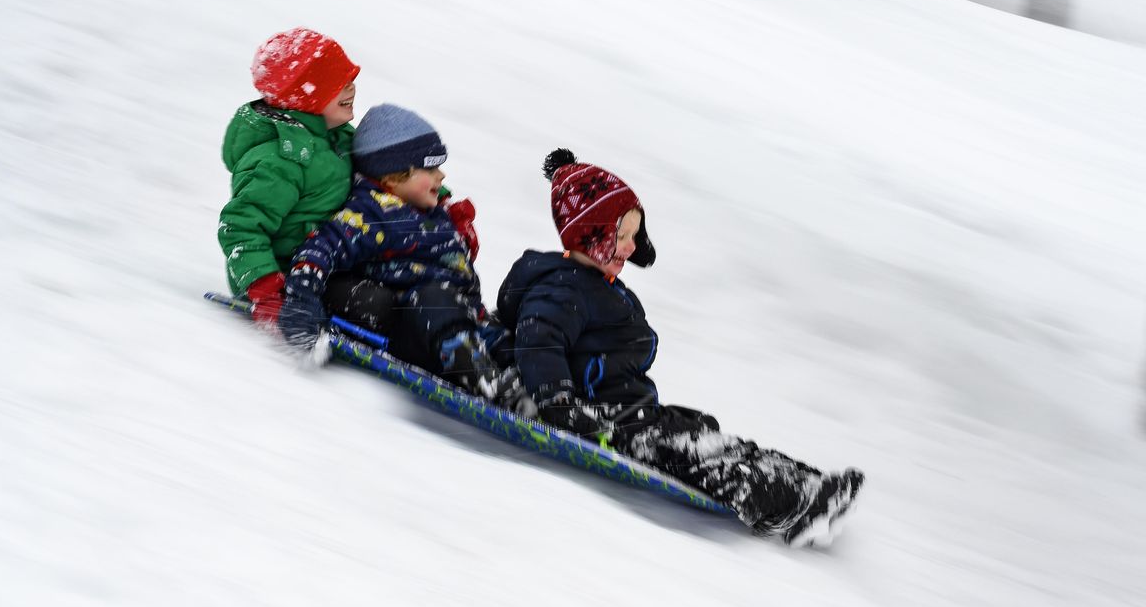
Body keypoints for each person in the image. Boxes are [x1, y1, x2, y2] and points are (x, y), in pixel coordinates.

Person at [495, 149, 865, 547]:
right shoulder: (562, 289)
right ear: (591, 235)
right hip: (608, 420)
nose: (631, 248)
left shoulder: (593, 283)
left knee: (705, 437)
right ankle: (790, 506)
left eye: (635, 236)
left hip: (633, 409)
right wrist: (561, 405)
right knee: (693, 457)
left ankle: (807, 482)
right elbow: (538, 343)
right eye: (622, 236)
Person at [277, 104, 531, 414]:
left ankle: (544, 393)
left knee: (514, 341)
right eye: (431, 168)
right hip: (416, 324)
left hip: (462, 319)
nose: (442, 174)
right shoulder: (370, 214)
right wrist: (301, 300)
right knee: (435, 300)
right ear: (394, 174)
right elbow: (320, 250)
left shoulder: (430, 212)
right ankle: (490, 385)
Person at [218, 27, 361, 325]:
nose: (351, 87)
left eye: (351, 78)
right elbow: (240, 226)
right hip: (288, 278)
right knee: (373, 302)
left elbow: (388, 170)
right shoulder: (280, 161)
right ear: (306, 97)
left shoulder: (341, 139)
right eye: (338, 82)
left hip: (338, 258)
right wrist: (266, 288)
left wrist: (437, 199)